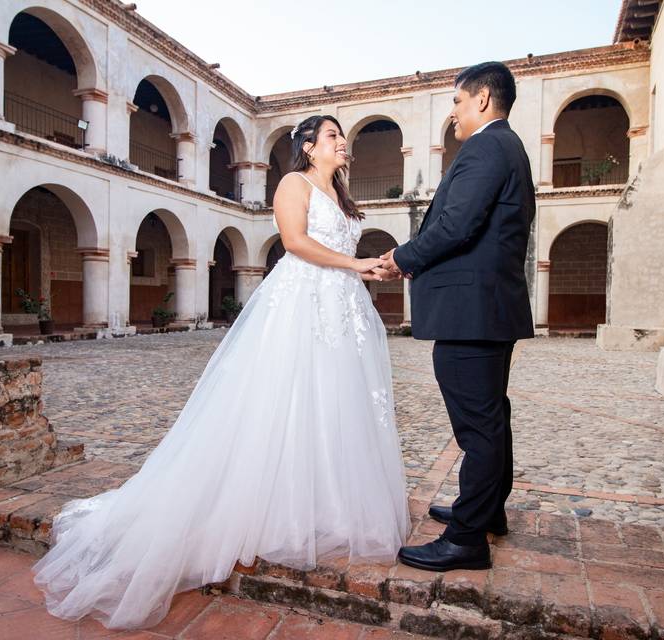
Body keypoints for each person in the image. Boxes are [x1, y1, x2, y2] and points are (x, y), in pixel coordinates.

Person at [32, 114, 411, 630]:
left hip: (343, 307)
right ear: (307, 145)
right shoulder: (292, 184)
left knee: (336, 400)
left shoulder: (341, 194)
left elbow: (345, 250)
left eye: (342, 137)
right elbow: (297, 243)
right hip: (301, 302)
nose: (342, 143)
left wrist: (379, 264)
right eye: (332, 136)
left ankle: (328, 505)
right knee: (285, 396)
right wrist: (357, 266)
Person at [381, 61, 536, 572]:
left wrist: (402, 258)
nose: (453, 112)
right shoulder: (504, 146)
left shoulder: (488, 147)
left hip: (472, 313)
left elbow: (456, 225)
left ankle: (468, 538)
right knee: (492, 416)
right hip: (486, 309)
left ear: (484, 99)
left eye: (456, 101)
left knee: (478, 426)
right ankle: (487, 510)